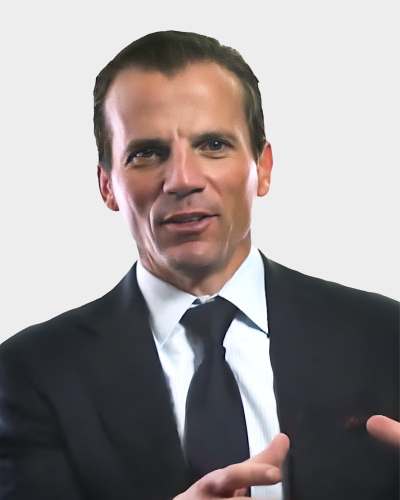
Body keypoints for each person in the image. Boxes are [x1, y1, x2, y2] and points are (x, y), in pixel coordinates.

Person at [0, 30, 398, 500]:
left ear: (263, 168)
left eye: (213, 144)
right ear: (107, 185)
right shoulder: (29, 374)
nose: (183, 179)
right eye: (147, 153)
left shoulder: (384, 337)